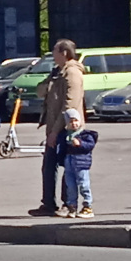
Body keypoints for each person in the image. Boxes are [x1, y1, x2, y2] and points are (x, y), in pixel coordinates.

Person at [29, 39, 85, 217]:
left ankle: (68, 204)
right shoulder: (57, 72)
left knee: (68, 167)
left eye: (55, 51)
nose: (53, 54)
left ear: (64, 53)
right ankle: (48, 203)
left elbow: (70, 104)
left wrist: (56, 131)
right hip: (52, 126)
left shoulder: (72, 73)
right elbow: (39, 91)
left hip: (68, 128)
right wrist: (48, 82)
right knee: (48, 166)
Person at [55, 108, 97, 218]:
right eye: (70, 121)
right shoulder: (65, 135)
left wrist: (80, 143)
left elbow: (89, 146)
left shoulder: (85, 135)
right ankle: (72, 206)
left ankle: (88, 206)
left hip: (81, 163)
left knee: (84, 184)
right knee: (70, 185)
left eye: (75, 120)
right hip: (69, 162)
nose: (74, 123)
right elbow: (61, 148)